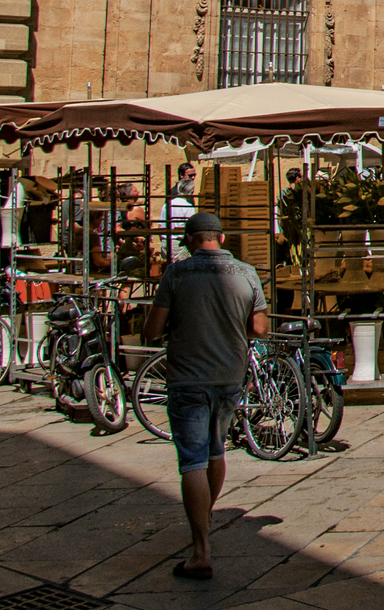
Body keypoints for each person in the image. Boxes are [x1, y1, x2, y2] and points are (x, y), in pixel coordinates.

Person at [144, 212, 268, 579]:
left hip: (188, 378)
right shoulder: (247, 273)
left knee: (192, 460)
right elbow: (259, 327)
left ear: (190, 240)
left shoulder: (177, 274)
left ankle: (200, 551)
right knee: (216, 449)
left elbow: (152, 331)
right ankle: (205, 517)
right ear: (221, 237)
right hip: (231, 375)